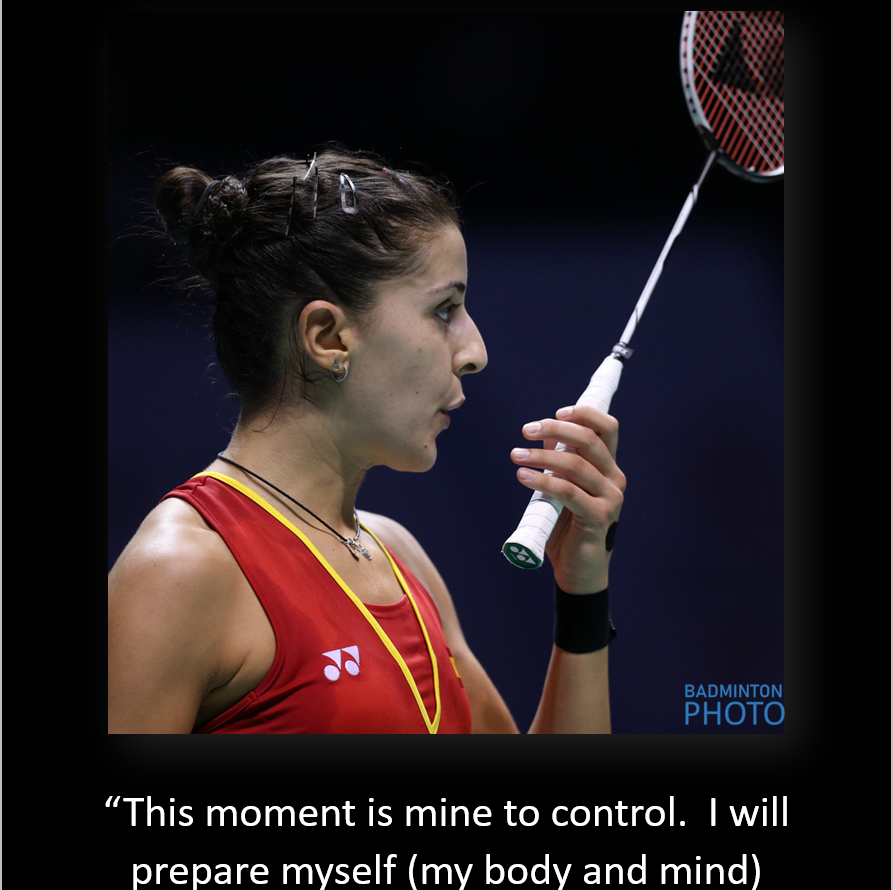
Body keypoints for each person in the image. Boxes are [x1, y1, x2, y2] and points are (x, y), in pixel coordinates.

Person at [107, 148, 625, 735]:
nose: (475, 351)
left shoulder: (400, 558)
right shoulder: (179, 573)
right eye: (444, 309)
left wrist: (583, 592)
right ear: (327, 336)